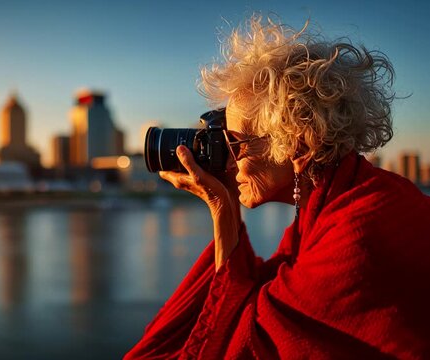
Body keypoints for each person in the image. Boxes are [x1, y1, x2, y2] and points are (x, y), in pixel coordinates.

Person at [125, 15, 430, 359]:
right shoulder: (336, 201)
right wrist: (223, 208)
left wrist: (223, 208)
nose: (227, 158)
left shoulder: (356, 236)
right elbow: (254, 300)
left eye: (235, 143)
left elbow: (240, 344)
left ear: (297, 143)